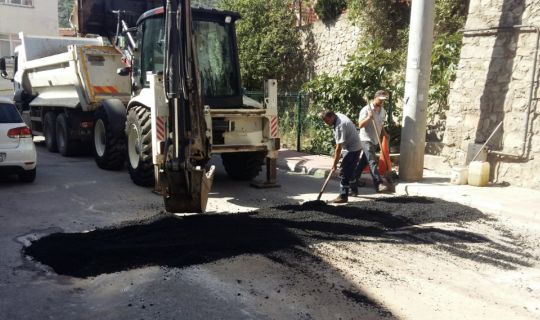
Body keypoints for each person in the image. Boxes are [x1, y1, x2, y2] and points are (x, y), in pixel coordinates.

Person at [351, 90, 393, 195]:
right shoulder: (366, 110)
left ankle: (353, 181)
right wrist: (369, 118)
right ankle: (378, 183)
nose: (382, 102)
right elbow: (360, 125)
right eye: (380, 99)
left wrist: (384, 133)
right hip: (365, 139)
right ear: (375, 97)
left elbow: (380, 124)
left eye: (384, 100)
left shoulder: (383, 111)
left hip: (375, 140)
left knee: (363, 163)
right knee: (372, 161)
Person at [320, 110, 362, 203]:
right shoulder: (337, 115)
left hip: (352, 149)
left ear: (332, 117)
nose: (326, 124)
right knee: (350, 171)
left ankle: (343, 196)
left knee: (344, 172)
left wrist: (334, 165)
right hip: (355, 146)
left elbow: (338, 149)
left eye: (327, 121)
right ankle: (354, 190)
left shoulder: (340, 126)